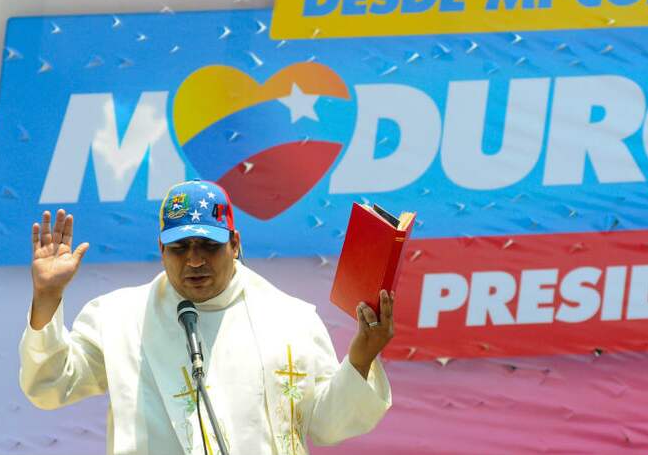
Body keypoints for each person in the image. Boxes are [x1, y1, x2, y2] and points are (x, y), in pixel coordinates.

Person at [20, 179, 394, 455]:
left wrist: (362, 356)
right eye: (180, 248)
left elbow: (328, 423)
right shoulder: (118, 318)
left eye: (209, 246)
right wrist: (48, 297)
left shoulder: (290, 319)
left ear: (235, 244)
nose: (194, 261)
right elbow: (50, 386)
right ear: (161, 250)